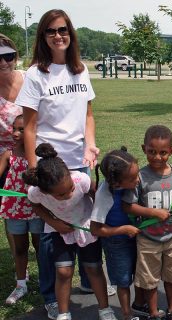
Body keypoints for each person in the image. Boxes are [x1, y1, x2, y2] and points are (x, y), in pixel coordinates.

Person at [15, 9, 112, 319]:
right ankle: (51, 296)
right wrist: (33, 169)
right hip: (49, 164)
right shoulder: (35, 74)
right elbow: (29, 127)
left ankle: (89, 278)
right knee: (51, 234)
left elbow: (88, 114)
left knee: (85, 225)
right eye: (51, 31)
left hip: (79, 163)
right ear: (43, 37)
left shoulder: (79, 69)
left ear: (71, 34)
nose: (59, 36)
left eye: (64, 30)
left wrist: (91, 143)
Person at [23, 143, 115, 320]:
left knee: (94, 268)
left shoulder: (81, 180)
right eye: (61, 195)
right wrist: (53, 222)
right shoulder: (36, 193)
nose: (69, 195)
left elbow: (96, 195)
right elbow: (34, 206)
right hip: (60, 230)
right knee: (63, 272)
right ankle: (64, 314)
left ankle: (105, 309)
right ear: (44, 191)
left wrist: (98, 221)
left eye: (70, 189)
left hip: (85, 226)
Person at [123, 125, 172, 320]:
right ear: (144, 149)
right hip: (148, 238)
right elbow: (128, 206)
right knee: (149, 279)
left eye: (163, 153)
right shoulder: (139, 176)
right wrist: (152, 212)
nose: (157, 157)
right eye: (151, 152)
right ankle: (153, 313)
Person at [90, 148, 143, 320]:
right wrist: (123, 230)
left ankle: (140, 306)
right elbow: (95, 229)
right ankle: (127, 314)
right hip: (117, 243)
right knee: (123, 281)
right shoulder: (105, 194)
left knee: (140, 274)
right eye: (133, 178)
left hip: (135, 238)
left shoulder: (129, 183)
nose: (138, 180)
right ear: (116, 183)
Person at [0, 114, 42, 305]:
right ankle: (20, 285)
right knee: (20, 248)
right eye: (14, 129)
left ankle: (45, 280)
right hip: (14, 209)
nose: (15, 134)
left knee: (41, 246)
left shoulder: (39, 157)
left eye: (21, 129)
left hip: (36, 209)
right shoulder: (8, 155)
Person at [0, 33, 24, 266]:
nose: (3, 62)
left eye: (8, 56)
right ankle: (21, 270)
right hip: (4, 159)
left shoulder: (29, 79)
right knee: (11, 213)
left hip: (31, 155)